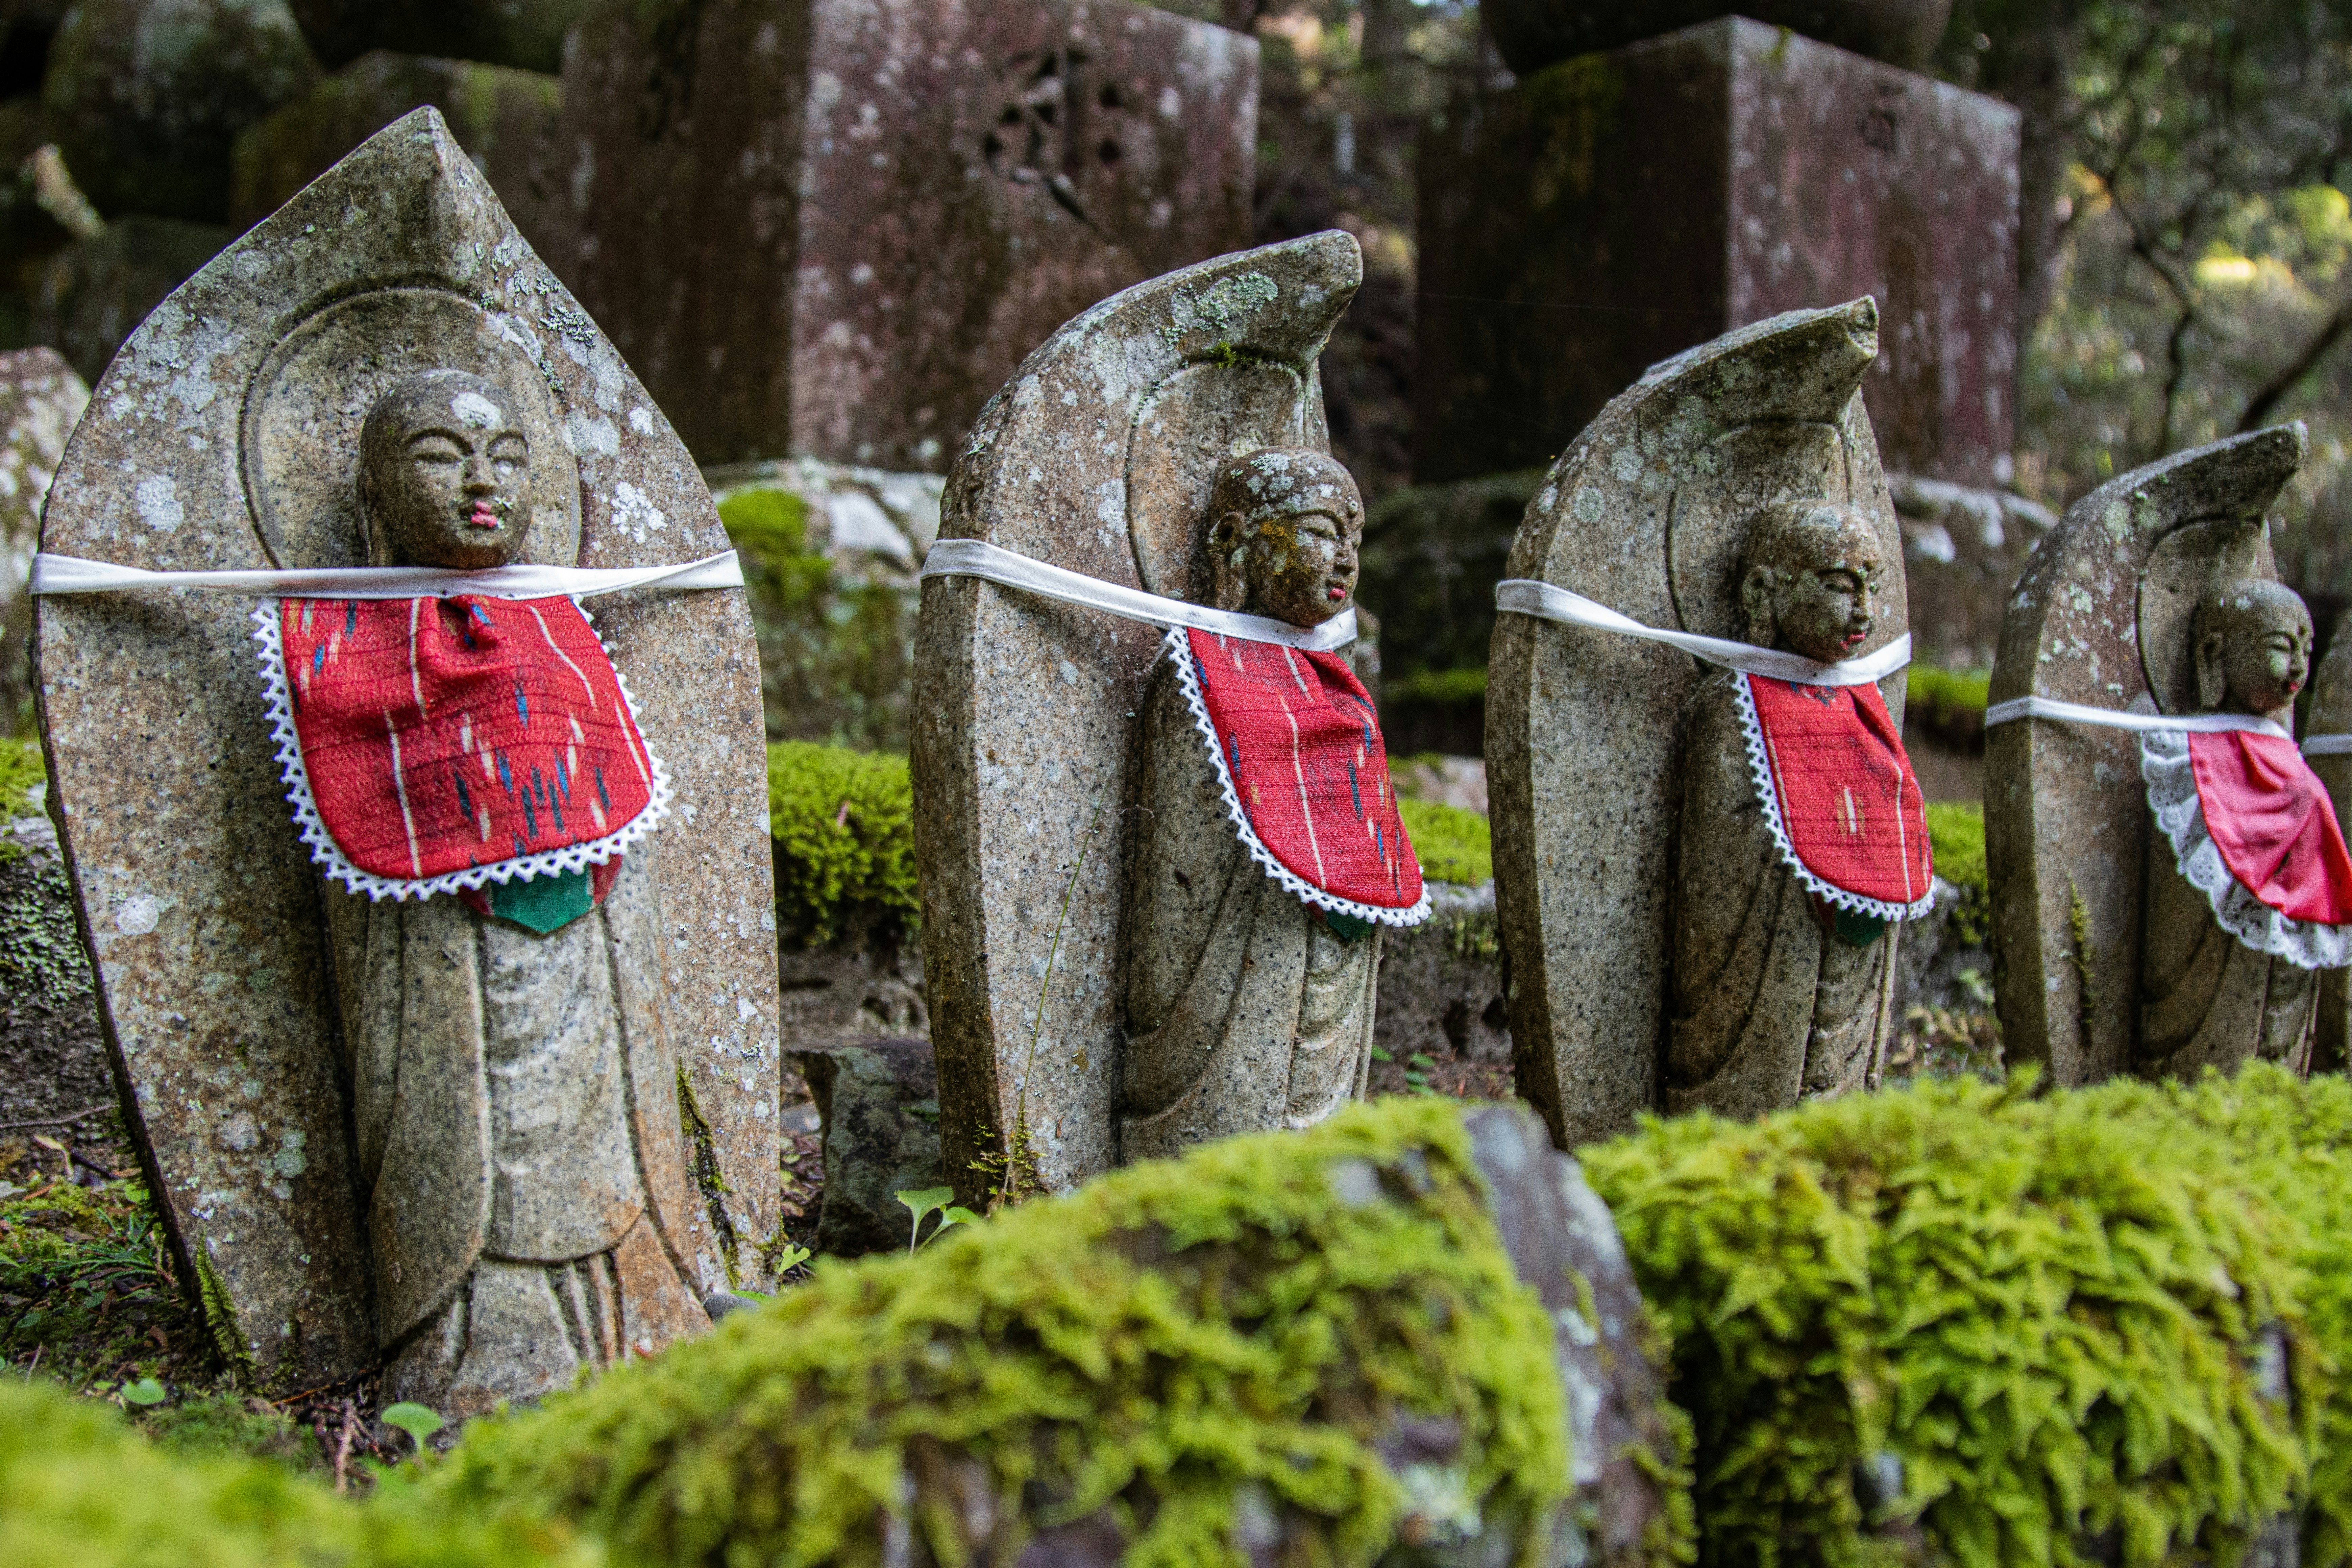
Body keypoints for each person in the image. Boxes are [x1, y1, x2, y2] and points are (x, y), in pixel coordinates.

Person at [307, 369, 707, 1416]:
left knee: (615, 1119)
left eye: (510, 458)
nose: (484, 484)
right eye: (443, 455)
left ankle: (651, 1304)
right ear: (375, 493)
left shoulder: (563, 628)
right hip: (451, 1006)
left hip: (590, 981)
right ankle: (468, 1348)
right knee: (464, 1138)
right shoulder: (340, 655)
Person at [1118, 449, 1421, 1160]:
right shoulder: (1196, 673)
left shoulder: (1335, 679)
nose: (1344, 556)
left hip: (1326, 965)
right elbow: (1180, 876)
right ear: (1232, 540)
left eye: (1355, 537)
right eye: (1318, 530)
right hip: (1234, 970)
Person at [1664, 499, 1922, 1114]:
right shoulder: (1733, 705)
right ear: (1764, 592)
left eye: (1873, 587)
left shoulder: (1862, 702)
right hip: (1770, 948)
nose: (1862, 609)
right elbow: (1716, 867)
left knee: (1845, 1073)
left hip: (1845, 943)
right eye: (1838, 586)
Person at [2137, 578, 2347, 1077]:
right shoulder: (2181, 761)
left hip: (2271, 983)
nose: (2298, 666)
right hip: (2196, 987)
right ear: (2214, 654)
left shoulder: (2294, 767)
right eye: (2281, 647)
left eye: (2307, 650)